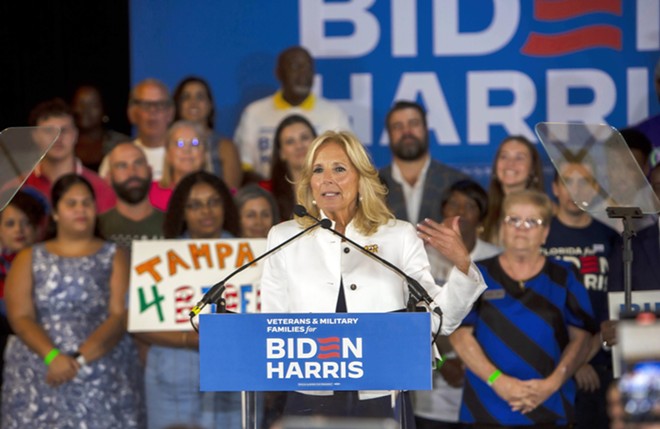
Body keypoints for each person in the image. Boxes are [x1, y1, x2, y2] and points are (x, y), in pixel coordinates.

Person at [260, 131, 487, 425]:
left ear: (361, 178)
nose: (327, 178)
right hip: (309, 392)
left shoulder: (398, 235)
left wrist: (463, 267)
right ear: (309, 182)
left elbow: (437, 320)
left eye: (339, 168)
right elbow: (273, 325)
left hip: (382, 390)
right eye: (318, 169)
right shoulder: (284, 238)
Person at [2, 174, 144, 428]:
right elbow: (20, 317)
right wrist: (52, 356)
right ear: (55, 213)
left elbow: (119, 315)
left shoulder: (115, 254)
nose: (80, 209)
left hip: (101, 368)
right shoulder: (29, 257)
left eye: (86, 203)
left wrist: (77, 360)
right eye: (71, 203)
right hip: (39, 370)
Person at [450, 190, 597, 428]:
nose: (521, 228)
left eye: (532, 221)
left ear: (545, 232)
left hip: (550, 406)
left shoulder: (565, 276)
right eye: (514, 220)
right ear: (502, 227)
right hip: (486, 409)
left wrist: (550, 385)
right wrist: (499, 381)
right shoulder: (477, 274)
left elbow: (581, 339)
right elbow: (459, 336)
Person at [137, 171, 240, 429]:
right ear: (181, 212)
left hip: (233, 377)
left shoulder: (250, 255)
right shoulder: (157, 256)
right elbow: (139, 320)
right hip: (172, 376)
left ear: (225, 206)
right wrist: (187, 339)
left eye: (213, 202)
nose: (206, 211)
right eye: (194, 205)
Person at [413, 180, 500, 429]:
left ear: (482, 220)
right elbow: (416, 323)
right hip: (433, 395)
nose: (460, 210)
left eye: (470, 206)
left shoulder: (497, 258)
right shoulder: (420, 258)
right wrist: (440, 362)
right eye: (453, 203)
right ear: (443, 210)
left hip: (488, 387)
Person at [542, 160, 619, 429]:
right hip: (547, 365)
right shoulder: (541, 236)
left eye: (584, 182)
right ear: (554, 188)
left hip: (600, 365)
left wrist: (581, 358)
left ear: (596, 189)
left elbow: (615, 306)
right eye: (567, 182)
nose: (575, 190)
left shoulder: (612, 237)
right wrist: (570, 364)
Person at [234, 46, 351, 179]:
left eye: (308, 68)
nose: (303, 74)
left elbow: (347, 165)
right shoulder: (254, 113)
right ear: (279, 73)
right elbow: (244, 166)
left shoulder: (333, 114)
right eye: (296, 67)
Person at [17, 98, 117, 213]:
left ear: (76, 134)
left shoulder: (100, 188)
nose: (57, 138)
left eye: (64, 130)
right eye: (49, 131)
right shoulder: (18, 187)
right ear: (35, 136)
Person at [379, 101, 470, 224]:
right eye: (398, 126)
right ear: (389, 134)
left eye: (414, 124)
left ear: (426, 129)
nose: (407, 132)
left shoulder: (457, 183)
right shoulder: (372, 184)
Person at [0, 190, 46, 405]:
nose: (18, 230)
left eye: (26, 223)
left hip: (43, 361)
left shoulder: (49, 267)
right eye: (10, 223)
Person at [173, 76, 242, 190]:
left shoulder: (225, 147)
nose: (193, 102)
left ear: (210, 105)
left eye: (200, 97)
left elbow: (231, 194)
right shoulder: (167, 143)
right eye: (186, 97)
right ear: (178, 105)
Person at [99, 78, 175, 180]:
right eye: (145, 105)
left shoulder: (186, 156)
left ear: (170, 113)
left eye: (159, 105)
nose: (152, 111)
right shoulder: (116, 158)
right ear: (132, 114)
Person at [99, 142, 165, 252]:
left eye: (138, 163)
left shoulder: (173, 225)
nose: (132, 172)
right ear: (109, 178)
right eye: (122, 166)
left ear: (150, 171)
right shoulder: (96, 227)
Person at [481, 135, 545, 245]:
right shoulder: (481, 211)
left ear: (533, 169)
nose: (510, 164)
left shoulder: (547, 211)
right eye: (504, 156)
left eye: (519, 158)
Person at [149, 120, 209, 211]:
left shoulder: (222, 194)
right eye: (179, 144)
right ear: (168, 153)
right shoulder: (149, 195)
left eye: (194, 143)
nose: (187, 150)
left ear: (204, 153)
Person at [71, 84, 129, 171]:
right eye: (80, 104)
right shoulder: (61, 142)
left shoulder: (121, 143)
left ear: (104, 110)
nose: (86, 109)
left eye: (93, 105)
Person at [269, 114, 317, 220]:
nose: (299, 146)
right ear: (281, 153)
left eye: (304, 138)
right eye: (290, 142)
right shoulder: (267, 192)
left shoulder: (334, 186)